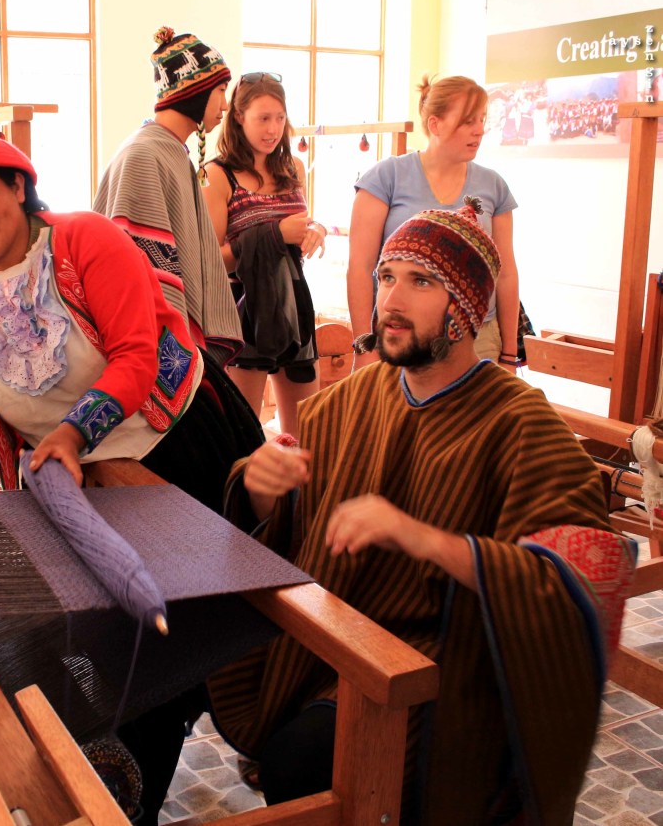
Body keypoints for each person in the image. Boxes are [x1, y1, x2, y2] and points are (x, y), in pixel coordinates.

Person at [0, 129, 256, 823]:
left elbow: (136, 354)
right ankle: (122, 787)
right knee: (119, 641)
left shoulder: (86, 243)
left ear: (18, 188)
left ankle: (228, 729)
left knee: (189, 626)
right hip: (73, 485)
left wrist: (73, 434)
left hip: (178, 449)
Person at [208, 200, 634, 824]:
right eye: (386, 276)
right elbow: (288, 511)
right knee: (184, 660)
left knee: (299, 761)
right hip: (335, 633)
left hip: (443, 660)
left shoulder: (522, 424)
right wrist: (262, 486)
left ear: (465, 307)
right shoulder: (352, 398)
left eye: (421, 281)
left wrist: (423, 539)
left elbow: (581, 577)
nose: (391, 300)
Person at [348, 75, 522, 371]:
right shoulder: (386, 177)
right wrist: (364, 346)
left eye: (481, 120)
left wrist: (508, 354)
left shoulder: (493, 186)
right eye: (468, 121)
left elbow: (505, 274)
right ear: (435, 124)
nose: (479, 130)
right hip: (399, 334)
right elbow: (361, 268)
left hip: (477, 338)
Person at [93, 27, 242, 368]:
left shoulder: (170, 151)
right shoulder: (144, 155)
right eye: (221, 90)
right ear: (195, 91)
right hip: (147, 350)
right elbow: (135, 270)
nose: (225, 105)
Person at [203, 72, 325, 437]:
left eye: (280, 118)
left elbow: (300, 223)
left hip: (294, 300)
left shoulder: (293, 168)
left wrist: (315, 229)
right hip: (243, 307)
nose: (273, 129)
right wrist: (275, 234)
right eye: (263, 118)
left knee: (306, 434)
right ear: (239, 116)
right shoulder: (217, 174)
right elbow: (211, 260)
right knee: (243, 438)